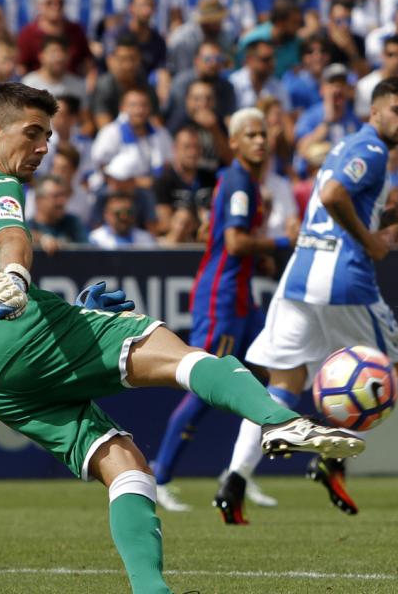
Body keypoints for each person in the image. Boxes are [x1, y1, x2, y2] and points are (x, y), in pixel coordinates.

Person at [0, 82, 362, 593]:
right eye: (33, 133)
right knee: (175, 354)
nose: (43, 147)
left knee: (126, 464)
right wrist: (16, 278)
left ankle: (151, 590)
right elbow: (12, 238)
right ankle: (281, 421)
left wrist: (62, 309)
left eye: (48, 136)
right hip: (22, 334)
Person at [215, 77, 398, 524]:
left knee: (283, 381)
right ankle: (331, 458)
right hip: (344, 279)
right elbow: (332, 197)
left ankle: (234, 479)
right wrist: (371, 239)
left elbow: (336, 207)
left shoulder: (344, 146)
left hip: (300, 276)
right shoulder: (372, 150)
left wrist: (393, 215)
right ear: (375, 111)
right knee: (389, 373)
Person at [149, 107, 293, 513]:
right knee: (205, 386)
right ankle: (159, 478)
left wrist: (261, 259)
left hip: (242, 297)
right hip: (221, 299)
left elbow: (230, 240)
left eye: (263, 134)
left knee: (271, 377)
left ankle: (237, 473)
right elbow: (233, 242)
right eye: (251, 135)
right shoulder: (238, 181)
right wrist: (282, 243)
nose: (260, 141)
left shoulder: (246, 182)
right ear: (233, 142)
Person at [89, 191, 159, 248]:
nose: (124, 217)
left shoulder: (146, 239)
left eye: (128, 212)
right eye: (118, 213)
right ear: (107, 215)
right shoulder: (95, 240)